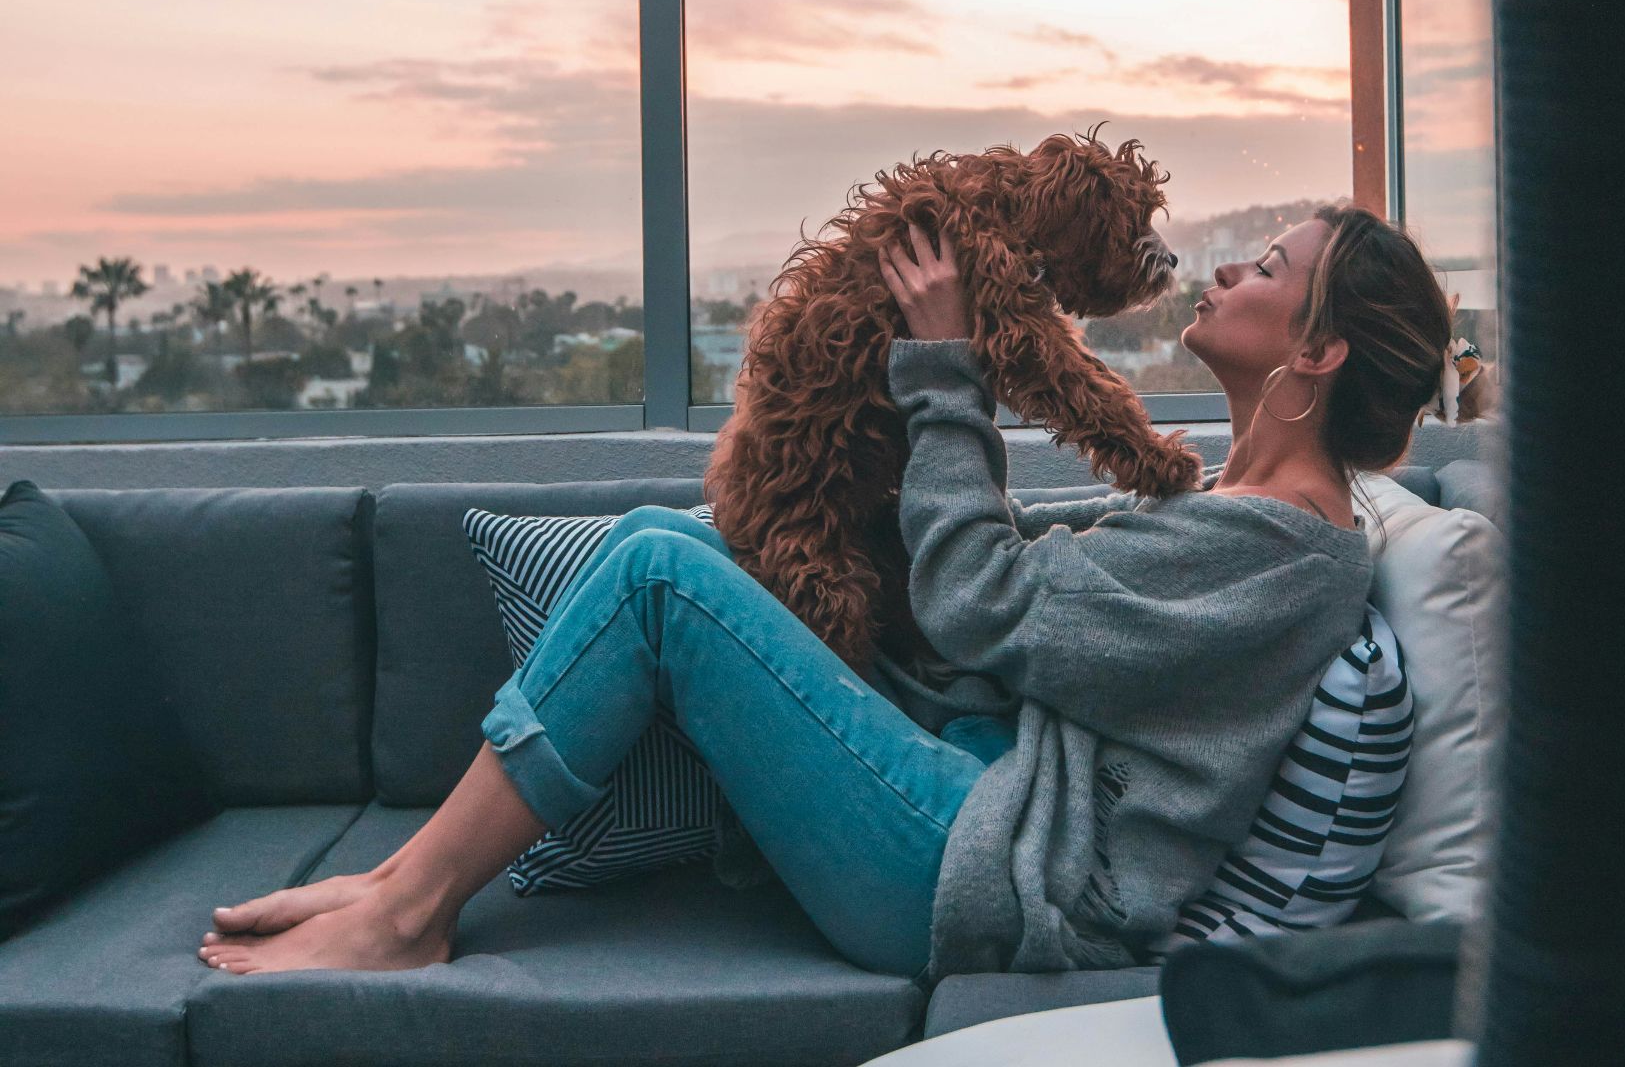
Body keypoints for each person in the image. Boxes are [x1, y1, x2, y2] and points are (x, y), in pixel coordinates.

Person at [194, 203, 1451, 989]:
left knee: (656, 577)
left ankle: (409, 912)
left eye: (1268, 265)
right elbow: (1047, 597)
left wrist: (942, 367)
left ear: (1318, 350)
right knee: (660, 533)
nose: (1227, 265)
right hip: (979, 779)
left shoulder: (1285, 552)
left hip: (974, 868)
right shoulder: (1247, 511)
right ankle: (399, 880)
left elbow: (984, 605)